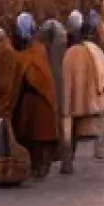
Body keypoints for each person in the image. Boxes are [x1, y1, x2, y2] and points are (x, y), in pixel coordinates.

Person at [0, 19, 59, 179]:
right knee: (39, 142)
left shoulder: (25, 57)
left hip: (32, 108)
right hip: (43, 106)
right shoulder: (39, 51)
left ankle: (37, 166)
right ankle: (39, 166)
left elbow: (15, 84)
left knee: (34, 140)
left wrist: (5, 107)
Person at [62, 19, 104, 163]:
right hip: (91, 98)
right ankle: (98, 152)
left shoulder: (69, 53)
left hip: (72, 100)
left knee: (70, 128)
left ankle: (68, 158)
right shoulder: (97, 52)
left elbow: (65, 80)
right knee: (98, 130)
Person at [38, 18, 70, 173]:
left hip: (52, 90)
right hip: (61, 90)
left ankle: (50, 161)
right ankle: (65, 161)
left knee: (51, 126)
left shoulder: (48, 52)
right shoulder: (63, 50)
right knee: (62, 127)